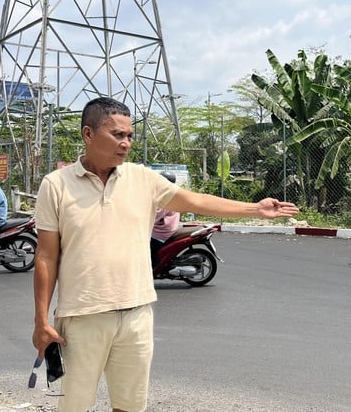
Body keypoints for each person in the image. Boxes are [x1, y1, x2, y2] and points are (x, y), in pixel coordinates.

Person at [32, 97, 298, 412]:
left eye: (130, 136)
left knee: (130, 407)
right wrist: (40, 320)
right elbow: (46, 257)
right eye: (117, 134)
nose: (126, 143)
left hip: (136, 316)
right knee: (72, 407)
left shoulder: (142, 179)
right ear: (88, 135)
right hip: (81, 318)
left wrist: (254, 208)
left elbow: (195, 201)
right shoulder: (56, 185)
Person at [150, 171, 180, 269]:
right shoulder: (172, 194)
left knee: (145, 247)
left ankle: (152, 268)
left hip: (161, 232)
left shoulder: (164, 197)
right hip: (169, 228)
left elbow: (155, 216)